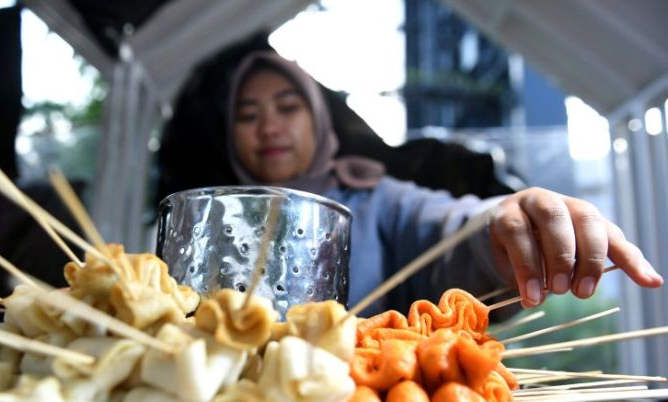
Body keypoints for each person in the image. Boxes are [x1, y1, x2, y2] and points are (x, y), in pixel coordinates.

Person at [225, 51, 663, 316]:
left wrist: (502, 224)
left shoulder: (377, 198)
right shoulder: (215, 218)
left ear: (319, 120)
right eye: (249, 115)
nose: (269, 128)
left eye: (287, 108)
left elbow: (449, 228)